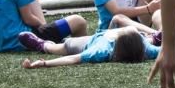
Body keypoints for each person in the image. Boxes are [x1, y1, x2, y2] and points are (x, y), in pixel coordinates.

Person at [21, 18, 159, 69]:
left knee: (62, 47)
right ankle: (156, 35)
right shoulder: (147, 49)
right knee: (118, 18)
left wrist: (44, 63)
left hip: (90, 42)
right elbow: (171, 51)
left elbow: (73, 58)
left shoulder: (101, 50)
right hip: (104, 37)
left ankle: (42, 45)